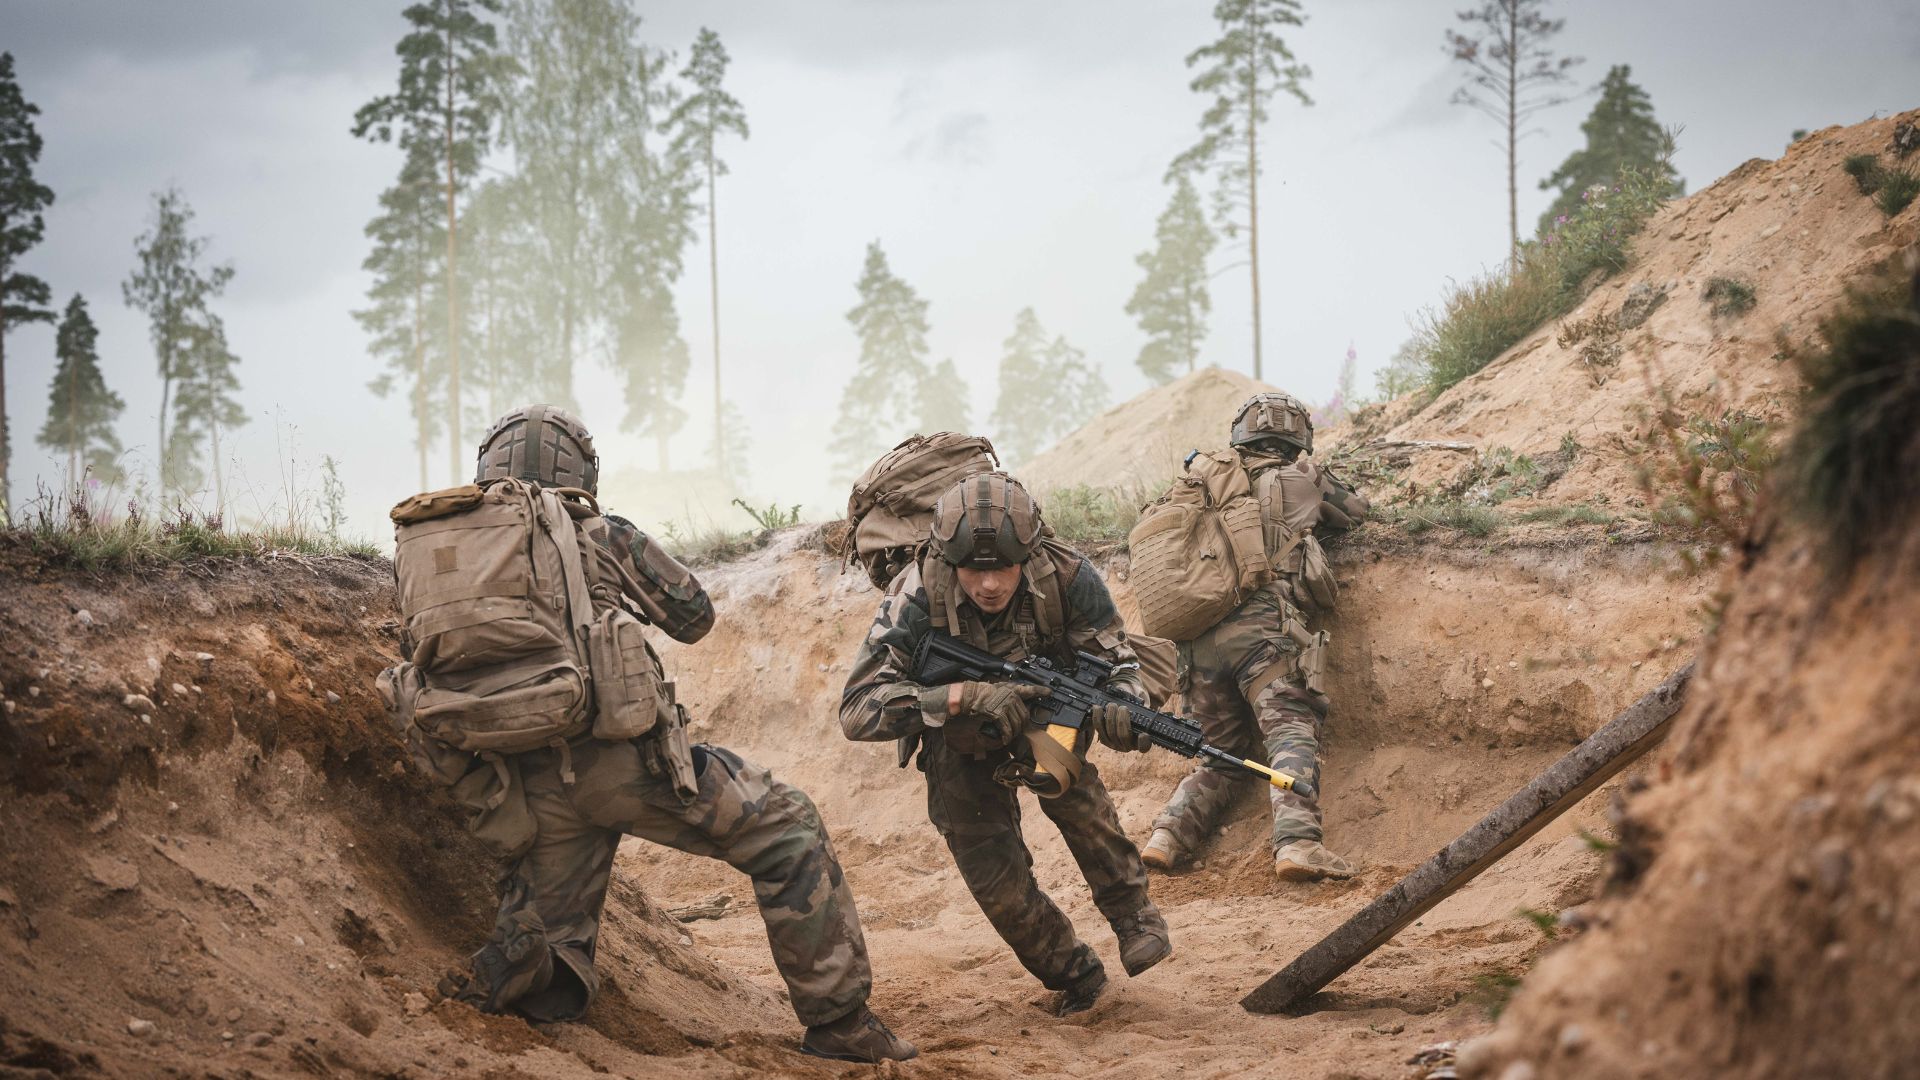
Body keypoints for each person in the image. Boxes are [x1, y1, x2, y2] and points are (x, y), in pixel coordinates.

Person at [391, 406, 914, 1063]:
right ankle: (841, 1024)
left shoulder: (433, 554)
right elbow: (694, 616)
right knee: (788, 829)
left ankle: (523, 956)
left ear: (485, 466)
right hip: (624, 764)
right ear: (582, 471)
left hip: (519, 783)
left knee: (555, 948)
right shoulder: (600, 532)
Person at [838, 472, 1172, 1016]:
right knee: (994, 878)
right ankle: (1074, 973)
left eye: (1004, 569)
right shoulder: (917, 593)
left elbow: (1121, 666)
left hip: (1049, 714)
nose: (988, 585)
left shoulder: (1068, 575)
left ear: (1029, 556)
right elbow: (857, 711)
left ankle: (1134, 916)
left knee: (1079, 800)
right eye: (973, 570)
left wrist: (1121, 707)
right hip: (959, 739)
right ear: (949, 562)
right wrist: (958, 697)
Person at [1140, 393, 1371, 882]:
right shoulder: (1299, 478)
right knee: (1289, 725)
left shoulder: (1194, 485)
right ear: (1299, 440)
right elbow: (1355, 510)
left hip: (1195, 639)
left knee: (1220, 754)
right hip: (1262, 630)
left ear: (1239, 434)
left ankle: (1168, 835)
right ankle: (1298, 842)